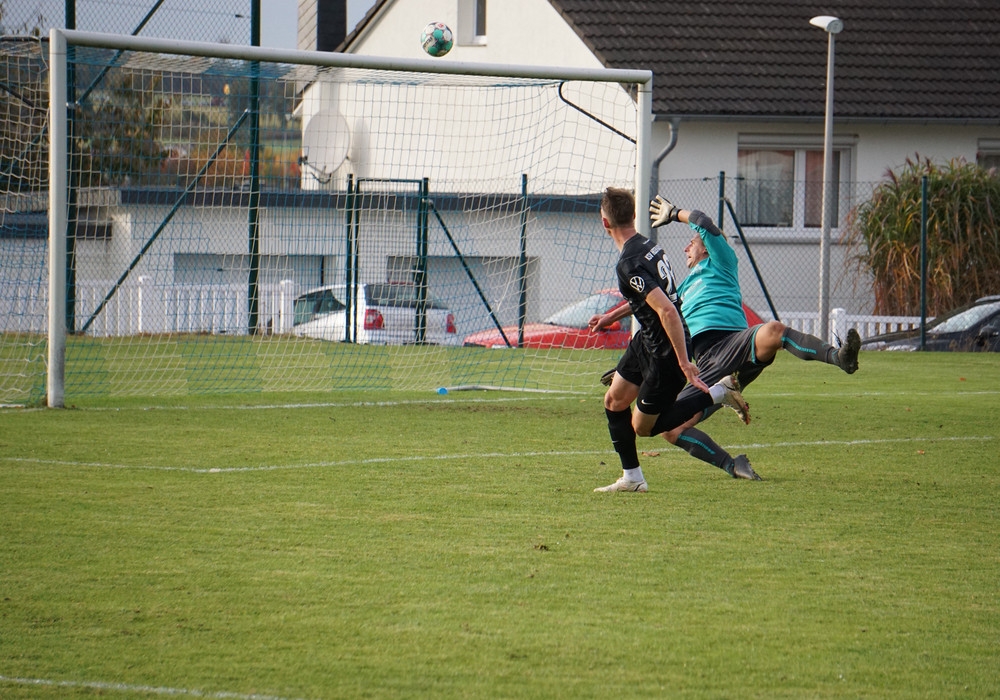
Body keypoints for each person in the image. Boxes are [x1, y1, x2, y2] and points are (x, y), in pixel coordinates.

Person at [593, 195, 861, 477]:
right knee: (670, 429)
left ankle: (839, 357)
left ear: (706, 248)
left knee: (774, 330)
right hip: (708, 364)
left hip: (735, 343)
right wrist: (612, 318)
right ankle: (733, 465)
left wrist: (675, 213)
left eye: (692, 243)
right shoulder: (684, 286)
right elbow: (651, 299)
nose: (686, 248)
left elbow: (704, 223)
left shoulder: (721, 263)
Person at [592, 187, 757, 493]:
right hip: (646, 341)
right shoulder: (649, 246)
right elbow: (652, 298)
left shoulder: (629, 262)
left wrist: (683, 362)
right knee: (614, 401)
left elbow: (667, 310)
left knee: (644, 428)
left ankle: (718, 393)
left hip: (665, 351)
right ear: (633, 216)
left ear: (605, 223)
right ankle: (632, 478)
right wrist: (610, 316)